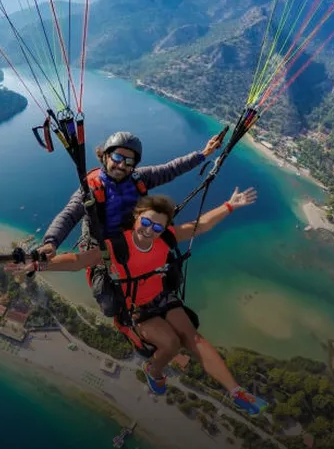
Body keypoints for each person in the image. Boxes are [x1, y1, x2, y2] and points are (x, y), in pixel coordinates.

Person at [16, 188, 268, 416]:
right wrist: (39, 264)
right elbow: (77, 261)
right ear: (136, 218)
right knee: (170, 344)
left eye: (157, 227)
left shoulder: (166, 238)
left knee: (193, 338)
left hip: (161, 295)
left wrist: (230, 205)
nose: (149, 230)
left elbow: (200, 225)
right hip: (135, 307)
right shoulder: (117, 246)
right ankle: (153, 371)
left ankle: (236, 392)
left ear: (164, 229)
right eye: (145, 222)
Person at [37, 129, 225, 315]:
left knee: (173, 278)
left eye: (129, 162)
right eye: (117, 158)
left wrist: (204, 154)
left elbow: (171, 169)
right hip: (103, 248)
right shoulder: (90, 189)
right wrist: (51, 242)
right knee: (111, 306)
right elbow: (69, 215)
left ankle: (155, 300)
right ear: (105, 156)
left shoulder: (138, 178)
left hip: (135, 240)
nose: (121, 165)